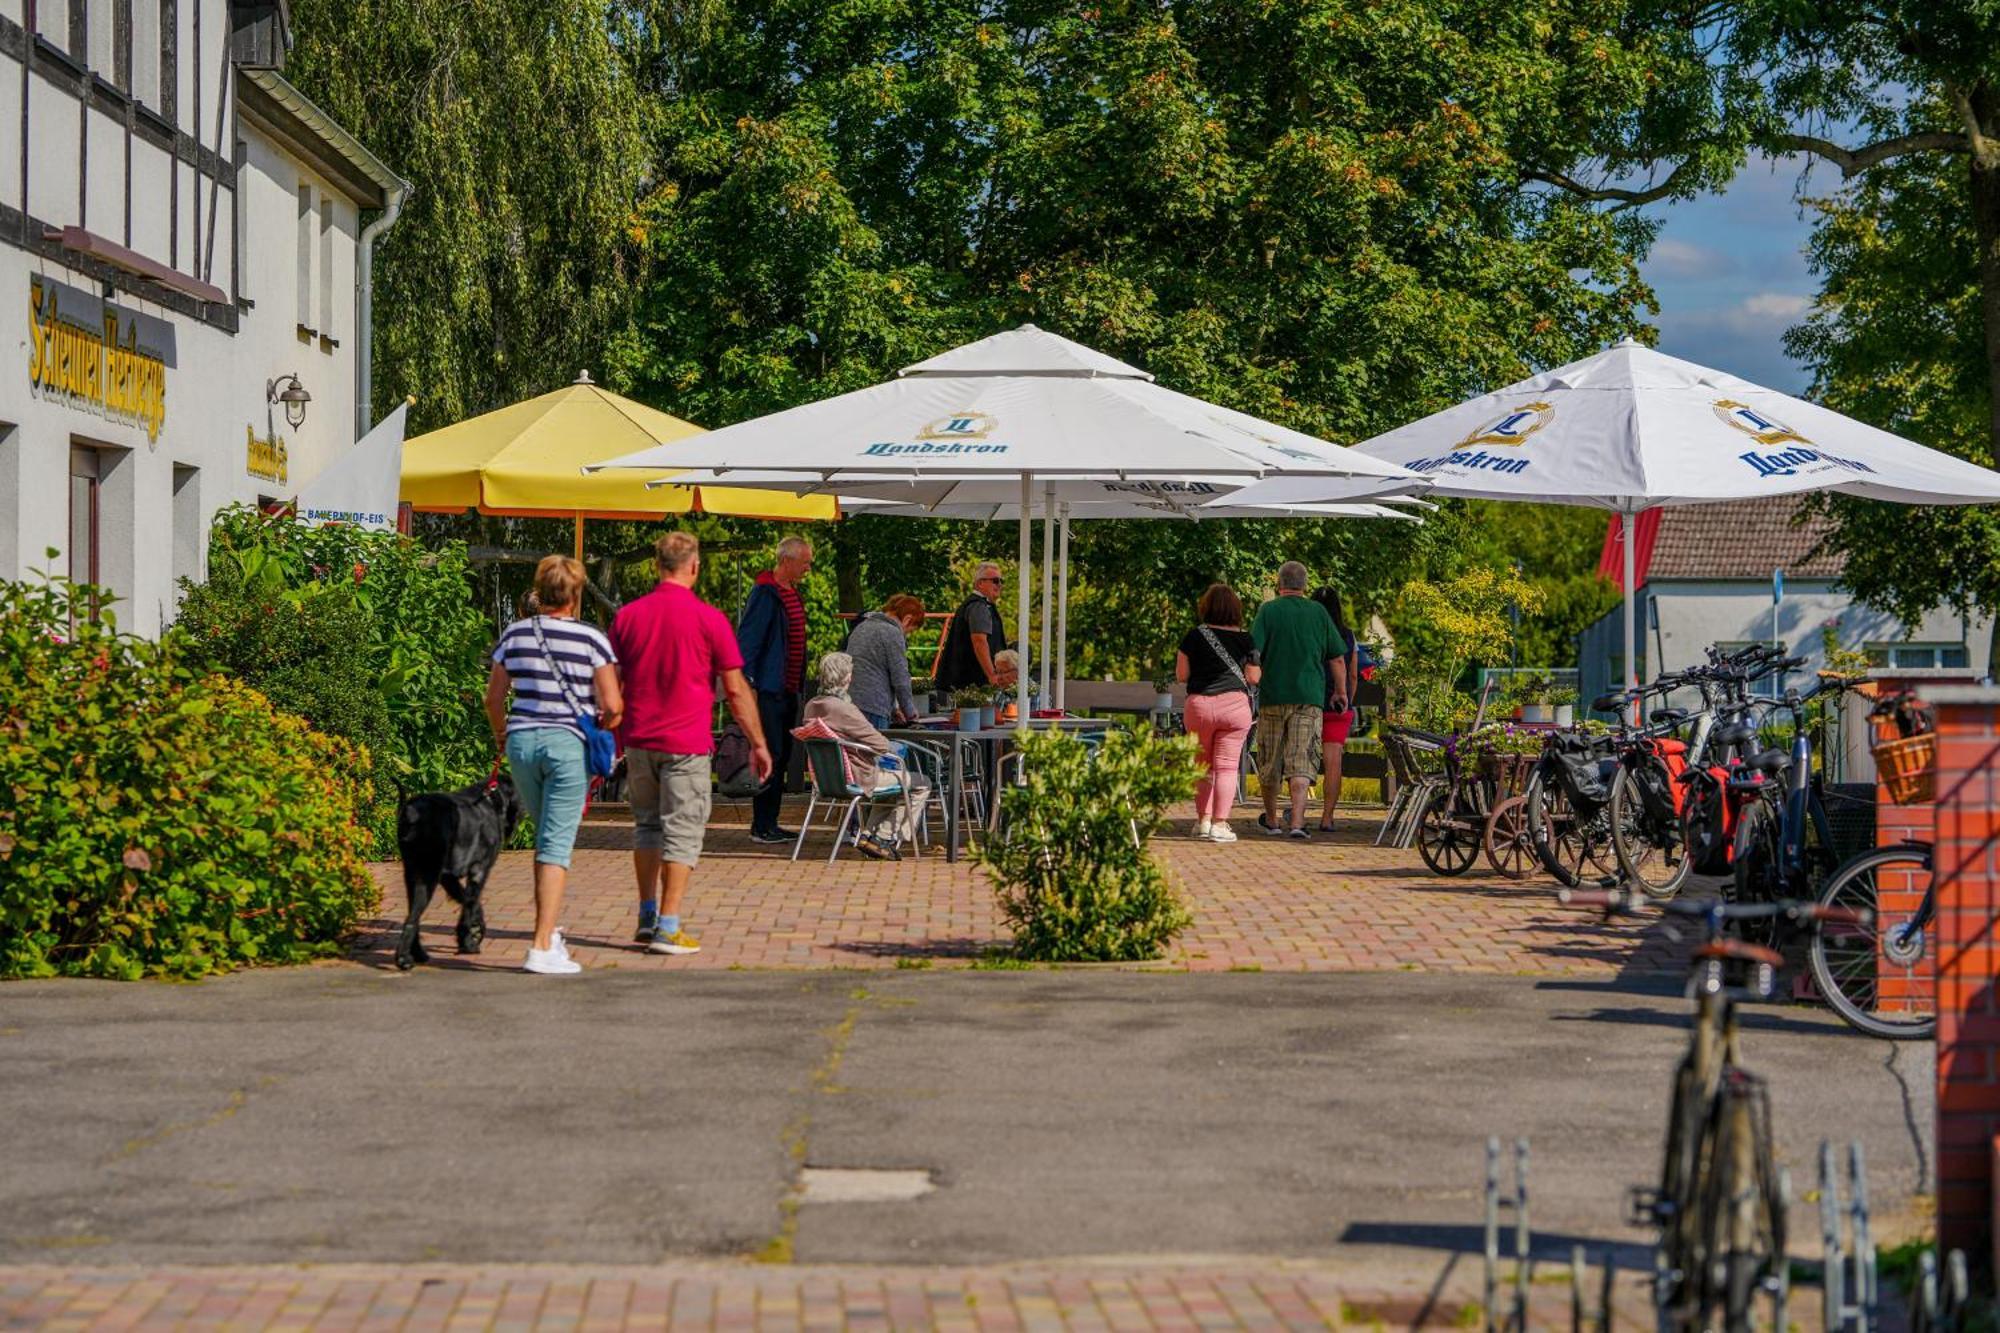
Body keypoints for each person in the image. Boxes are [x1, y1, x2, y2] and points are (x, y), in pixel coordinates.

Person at [611, 531, 774, 955]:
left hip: (639, 739)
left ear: (656, 565)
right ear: (695, 567)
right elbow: (736, 690)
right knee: (682, 832)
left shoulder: (628, 616)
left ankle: (646, 915)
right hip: (686, 741)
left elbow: (613, 683)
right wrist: (758, 743)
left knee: (646, 826)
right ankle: (668, 925)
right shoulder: (710, 619)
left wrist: (612, 734)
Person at [484, 555, 623, 975]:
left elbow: (493, 697)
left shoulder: (515, 634)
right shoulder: (592, 640)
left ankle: (550, 931)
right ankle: (541, 945)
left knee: (546, 836)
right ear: (576, 594)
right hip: (566, 744)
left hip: (522, 742)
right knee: (555, 845)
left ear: (540, 590)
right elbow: (613, 705)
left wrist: (501, 734)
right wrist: (605, 722)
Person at [799, 652, 932, 861]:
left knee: (892, 787)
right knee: (922, 783)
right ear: (846, 678)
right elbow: (880, 744)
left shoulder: (811, 705)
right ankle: (884, 838)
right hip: (858, 776)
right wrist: (895, 747)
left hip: (826, 780)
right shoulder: (844, 709)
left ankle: (869, 836)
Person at [1250, 560, 1348, 839]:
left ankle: (1271, 820)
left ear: (1279, 584)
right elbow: (1337, 658)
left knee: (1270, 758)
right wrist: (1339, 692)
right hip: (1309, 697)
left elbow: (1254, 651)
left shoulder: (1267, 611)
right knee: (1302, 759)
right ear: (1304, 585)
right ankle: (1298, 822)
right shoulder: (1318, 612)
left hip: (1272, 696)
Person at [737, 535, 813, 844]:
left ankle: (771, 820)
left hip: (787, 689)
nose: (808, 568)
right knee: (771, 753)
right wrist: (749, 687)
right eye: (805, 562)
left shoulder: (791, 592)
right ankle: (762, 823)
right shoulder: (766, 594)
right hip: (768, 690)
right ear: (787, 561)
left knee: (782, 756)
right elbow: (748, 643)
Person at [1175, 583, 1261, 842]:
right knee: (1226, 767)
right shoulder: (1246, 640)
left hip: (1199, 706)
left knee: (1203, 766)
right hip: (1234, 708)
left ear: (1206, 607)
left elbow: (1182, 675)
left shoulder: (1193, 637)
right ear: (1236, 609)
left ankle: (1202, 821)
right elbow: (1254, 677)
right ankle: (1220, 824)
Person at [1312, 586, 1363, 833]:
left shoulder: (1308, 631)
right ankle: (1327, 817)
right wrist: (1348, 699)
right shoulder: (1347, 635)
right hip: (1337, 707)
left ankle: (1296, 810)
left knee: (1300, 759)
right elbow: (1353, 673)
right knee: (1334, 762)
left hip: (1309, 701)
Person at [847, 594, 925, 729]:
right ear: (907, 619)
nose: (906, 635)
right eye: (909, 631)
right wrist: (911, 714)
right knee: (877, 749)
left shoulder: (861, 627)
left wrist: (894, 709)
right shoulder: (892, 633)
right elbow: (900, 678)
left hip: (849, 704)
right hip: (874, 707)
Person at [932, 562, 1009, 692]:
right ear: (980, 583)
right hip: (970, 682)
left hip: (964, 682)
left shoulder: (978, 605)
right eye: (995, 581)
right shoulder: (978, 607)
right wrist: (992, 675)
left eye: (1001, 581)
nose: (999, 585)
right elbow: (979, 642)